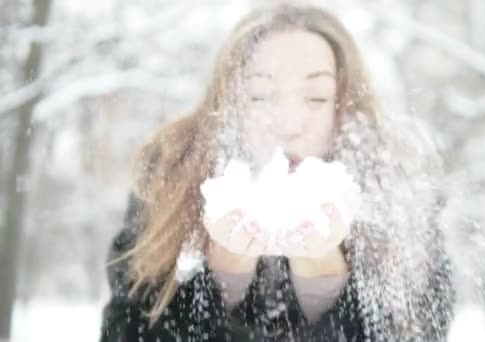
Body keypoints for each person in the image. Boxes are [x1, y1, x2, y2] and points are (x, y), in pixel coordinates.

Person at [100, 4, 454, 342]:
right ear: (229, 103)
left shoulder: (393, 195)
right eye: (260, 96)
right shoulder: (173, 184)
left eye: (315, 97)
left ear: (344, 107)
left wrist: (324, 281)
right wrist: (222, 279)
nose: (287, 124)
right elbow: (127, 330)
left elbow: (421, 330)